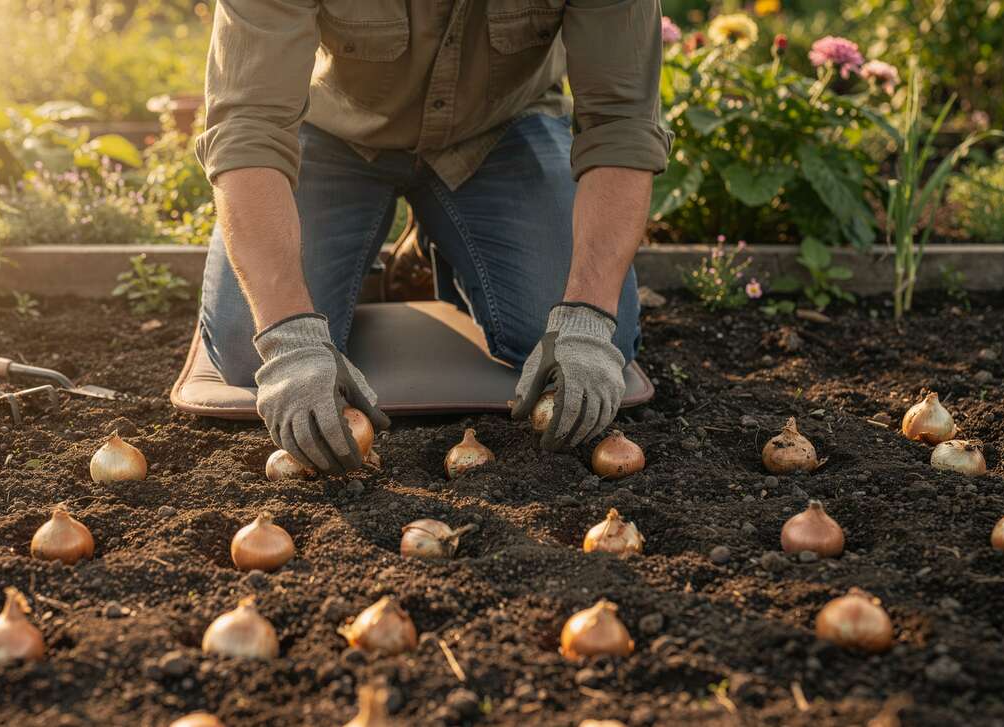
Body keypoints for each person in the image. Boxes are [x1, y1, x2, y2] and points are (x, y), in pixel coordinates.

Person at [195, 0, 671, 475]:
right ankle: (351, 257)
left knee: (597, 341)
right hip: (336, 130)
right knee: (249, 346)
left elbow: (620, 124)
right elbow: (247, 127)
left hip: (498, 129)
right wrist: (290, 338)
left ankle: (439, 245)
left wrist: (587, 319)